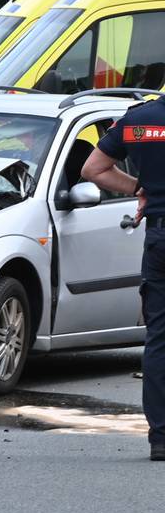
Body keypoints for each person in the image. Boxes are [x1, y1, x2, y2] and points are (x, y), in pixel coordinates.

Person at [81, 98, 165, 461]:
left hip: (160, 239)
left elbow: (94, 169)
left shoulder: (139, 119)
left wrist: (138, 188)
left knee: (160, 340)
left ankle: (161, 438)